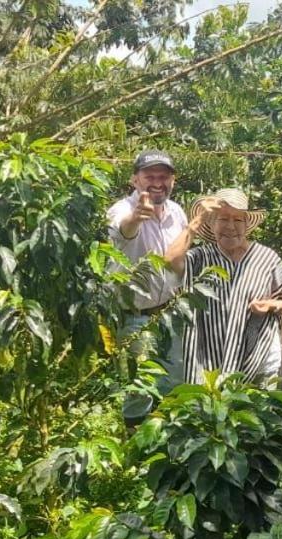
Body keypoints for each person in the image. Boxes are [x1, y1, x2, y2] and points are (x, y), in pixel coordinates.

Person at [165, 188, 282, 385]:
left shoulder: (267, 258)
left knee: (258, 410)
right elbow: (170, 261)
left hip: (259, 355)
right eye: (223, 219)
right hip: (208, 357)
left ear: (247, 224)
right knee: (207, 411)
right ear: (212, 224)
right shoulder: (201, 257)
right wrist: (197, 221)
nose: (230, 226)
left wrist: (272, 305)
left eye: (238, 220)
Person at [106, 150, 187, 388]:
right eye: (149, 177)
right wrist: (136, 218)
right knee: (138, 391)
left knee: (173, 386)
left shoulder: (177, 212)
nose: (157, 183)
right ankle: (135, 427)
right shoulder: (121, 210)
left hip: (171, 315)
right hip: (135, 320)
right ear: (135, 180)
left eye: (163, 177)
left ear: (173, 180)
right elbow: (124, 230)